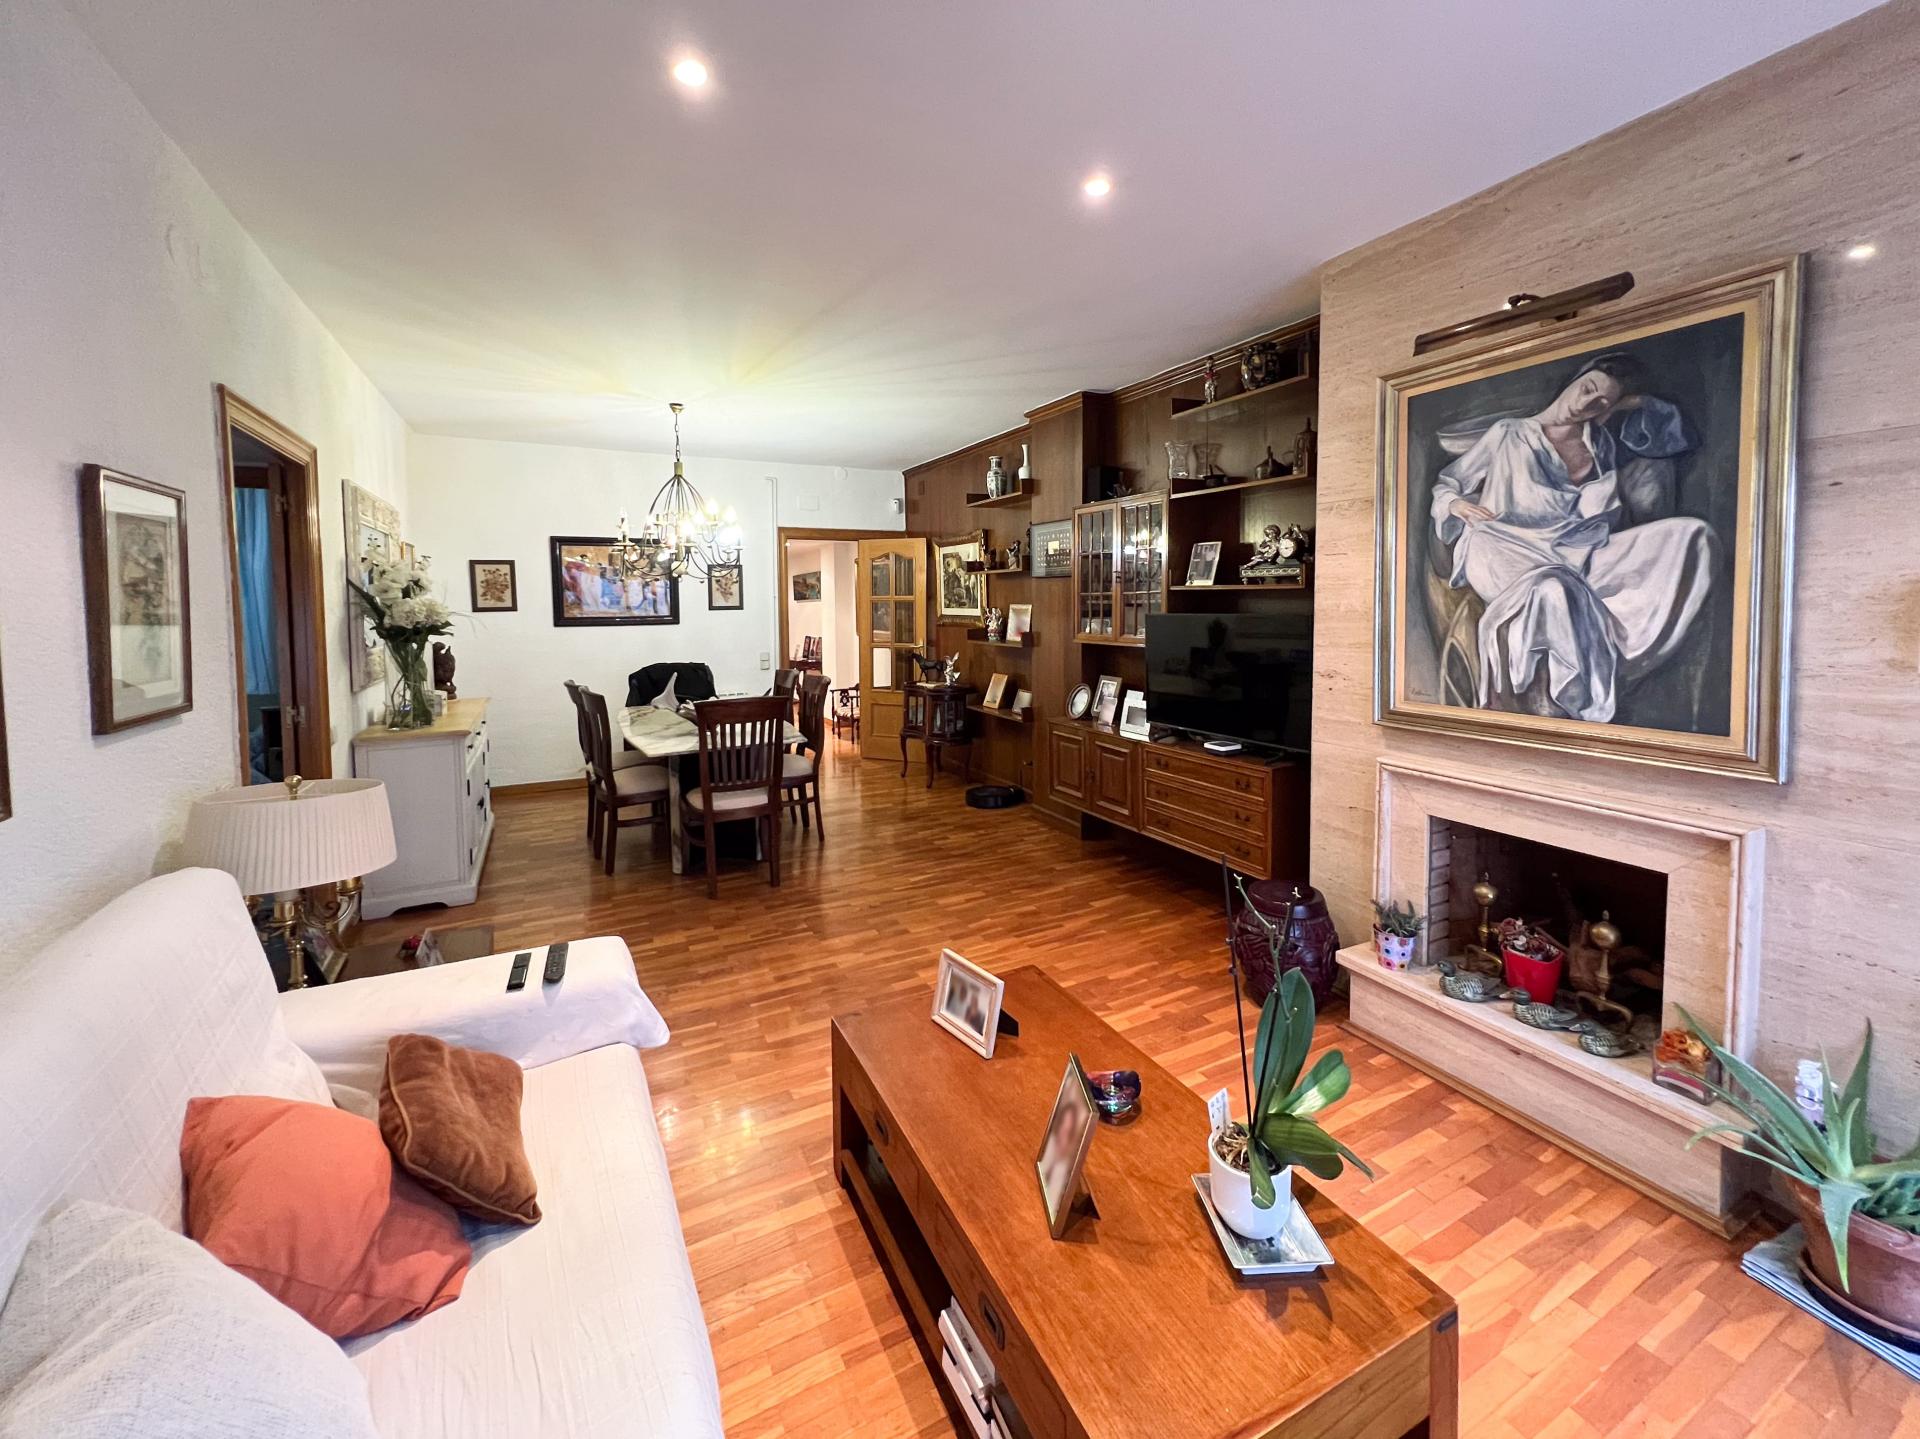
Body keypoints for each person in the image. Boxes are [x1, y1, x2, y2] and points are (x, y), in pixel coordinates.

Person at [1429, 352, 1718, 724]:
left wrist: (1631, 403)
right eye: (1588, 389)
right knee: (1555, 588)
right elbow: (1448, 482)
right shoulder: (1509, 433)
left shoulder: (1599, 444)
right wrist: (1456, 505)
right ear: (1575, 379)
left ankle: (1624, 658)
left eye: (1601, 403)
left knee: (1692, 537)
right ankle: (1576, 699)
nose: (1586, 404)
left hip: (1578, 551)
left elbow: (1673, 438)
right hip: (1505, 548)